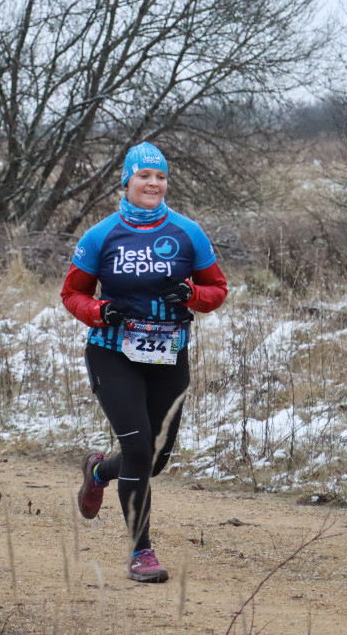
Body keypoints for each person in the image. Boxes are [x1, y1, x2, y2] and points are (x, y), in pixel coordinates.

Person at [60, 141, 228, 583]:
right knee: (137, 447)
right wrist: (99, 312)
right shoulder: (101, 235)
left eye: (160, 177)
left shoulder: (188, 232)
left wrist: (191, 294)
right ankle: (142, 552)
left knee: (154, 458)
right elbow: (71, 294)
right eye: (143, 177)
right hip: (112, 352)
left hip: (168, 354)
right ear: (127, 182)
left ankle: (97, 471)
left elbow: (217, 291)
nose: (153, 184)